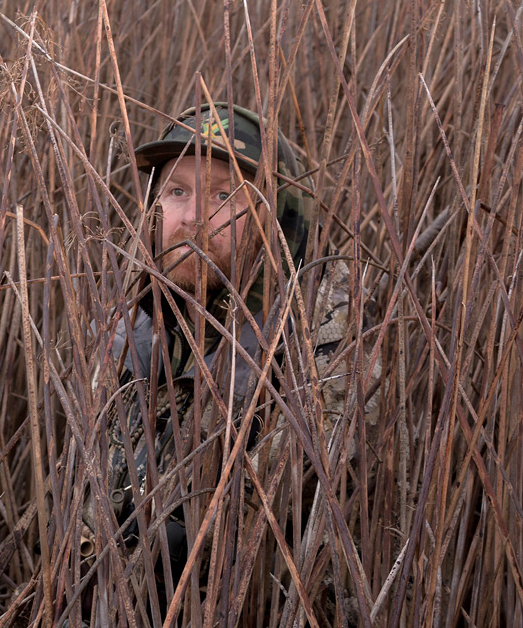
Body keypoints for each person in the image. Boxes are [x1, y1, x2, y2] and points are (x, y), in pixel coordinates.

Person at [82, 103, 377, 622]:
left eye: (225, 196)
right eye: (177, 191)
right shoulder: (129, 335)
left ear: (276, 220)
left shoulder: (320, 349)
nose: (193, 219)